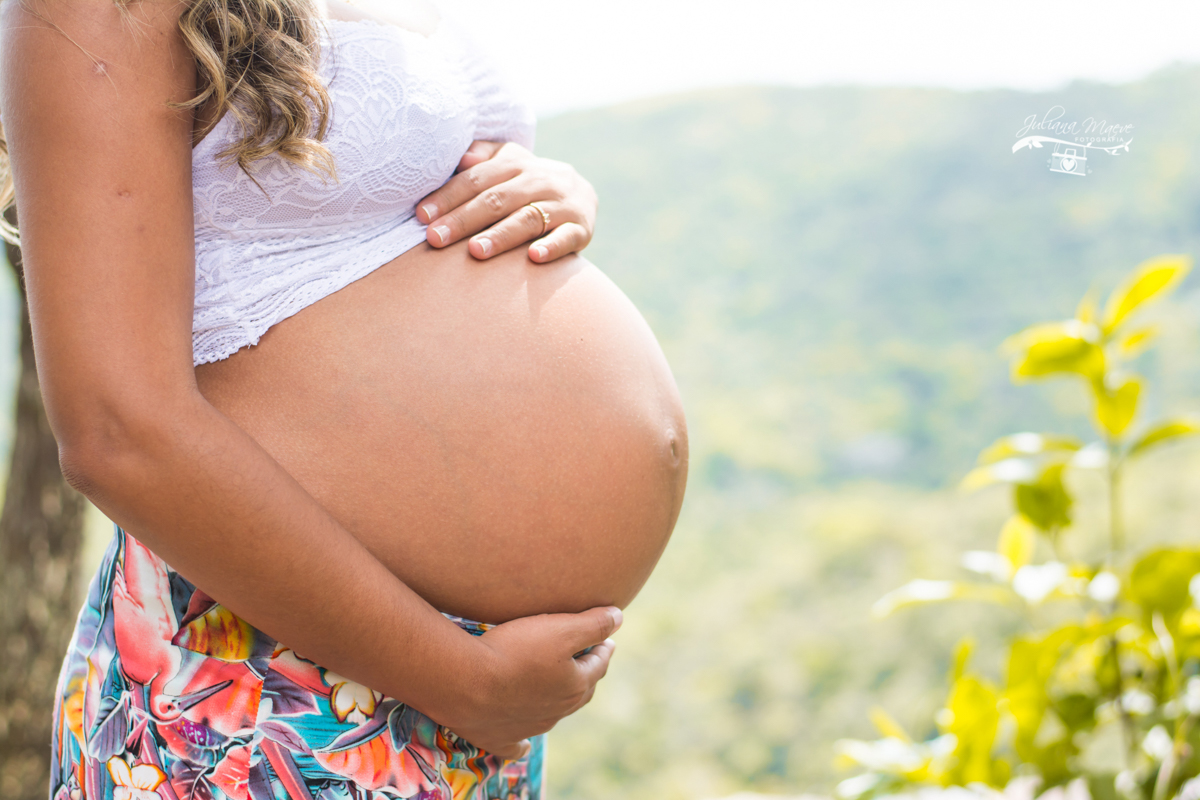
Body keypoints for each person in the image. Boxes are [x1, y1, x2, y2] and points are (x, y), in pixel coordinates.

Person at [0, 0, 688, 797]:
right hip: (268, 680)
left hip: (465, 689)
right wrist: (462, 680)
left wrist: (545, 190)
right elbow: (114, 431)